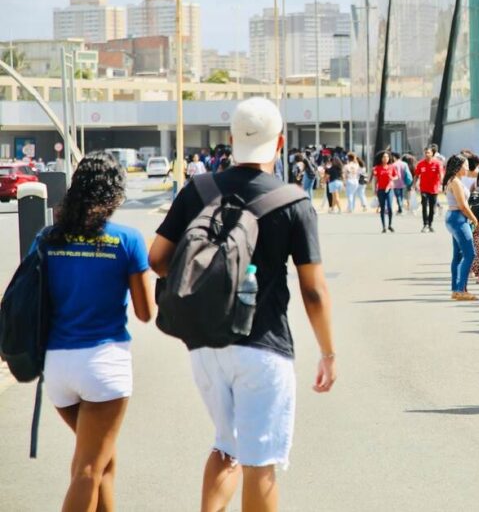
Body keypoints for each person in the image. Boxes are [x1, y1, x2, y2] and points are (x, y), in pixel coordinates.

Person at [148, 97, 335, 511]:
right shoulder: (293, 201)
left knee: (225, 446)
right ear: (281, 143)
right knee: (260, 463)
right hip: (264, 346)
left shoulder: (197, 190)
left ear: (231, 140)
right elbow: (314, 291)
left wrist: (205, 284)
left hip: (205, 346)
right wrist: (328, 353)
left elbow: (157, 259)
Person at [38, 152, 155, 511]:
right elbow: (145, 312)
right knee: (88, 468)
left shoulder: (47, 238)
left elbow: (28, 297)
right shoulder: (128, 240)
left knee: (103, 461)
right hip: (104, 365)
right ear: (115, 196)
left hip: (56, 367)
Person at [442, 154, 479, 301]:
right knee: (470, 254)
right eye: (465, 165)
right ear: (458, 167)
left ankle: (456, 289)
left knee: (458, 255)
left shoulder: (455, 180)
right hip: (458, 218)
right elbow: (462, 205)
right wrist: (473, 218)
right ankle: (460, 289)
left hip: (454, 217)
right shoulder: (455, 182)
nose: (468, 168)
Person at [415, 146, 444, 232]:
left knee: (432, 208)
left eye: (428, 152)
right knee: (424, 205)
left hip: (434, 189)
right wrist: (414, 184)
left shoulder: (437, 163)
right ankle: (425, 224)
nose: (427, 154)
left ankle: (430, 224)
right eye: (425, 152)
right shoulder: (420, 164)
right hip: (423, 189)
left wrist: (442, 184)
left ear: (432, 153)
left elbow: (441, 174)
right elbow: (416, 175)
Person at [373, 151, 399, 233]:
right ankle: (384, 226)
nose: (385, 158)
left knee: (390, 208)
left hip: (389, 189)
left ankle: (390, 225)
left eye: (387, 157)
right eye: (384, 157)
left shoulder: (392, 167)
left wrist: (393, 178)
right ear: (381, 158)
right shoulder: (377, 167)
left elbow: (397, 176)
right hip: (381, 190)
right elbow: (376, 179)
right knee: (382, 208)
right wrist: (375, 189)